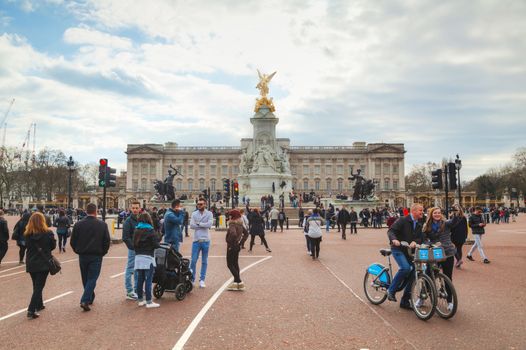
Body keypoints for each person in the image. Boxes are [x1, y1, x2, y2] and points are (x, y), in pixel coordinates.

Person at [70, 203, 110, 312]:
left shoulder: (78, 224)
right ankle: (85, 300)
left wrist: (77, 250)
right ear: (96, 211)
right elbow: (106, 241)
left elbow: (73, 241)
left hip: (82, 255)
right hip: (96, 255)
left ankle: (90, 297)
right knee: (92, 278)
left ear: (86, 211)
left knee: (85, 278)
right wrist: (103, 252)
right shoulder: (102, 225)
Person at [386, 204, 424, 309]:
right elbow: (391, 231)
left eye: (422, 210)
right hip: (398, 249)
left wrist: (415, 242)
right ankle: (391, 290)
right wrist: (394, 239)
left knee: (413, 272)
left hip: (409, 251)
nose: (422, 212)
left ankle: (405, 300)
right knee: (406, 268)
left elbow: (420, 238)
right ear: (413, 211)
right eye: (420, 210)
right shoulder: (402, 220)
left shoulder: (419, 224)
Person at [422, 207, 456, 310]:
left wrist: (456, 212)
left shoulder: (446, 223)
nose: (437, 214)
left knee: (448, 277)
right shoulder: (426, 226)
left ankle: (450, 301)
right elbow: (424, 239)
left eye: (439, 213)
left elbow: (454, 221)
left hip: (447, 253)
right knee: (428, 275)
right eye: (435, 213)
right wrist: (431, 243)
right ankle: (422, 296)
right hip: (434, 253)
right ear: (431, 214)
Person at [24, 212, 56, 319]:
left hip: (31, 262)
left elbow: (27, 246)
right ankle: (31, 310)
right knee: (39, 287)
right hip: (43, 262)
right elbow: (52, 246)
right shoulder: (48, 233)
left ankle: (39, 304)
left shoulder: (28, 234)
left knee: (36, 285)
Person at [133, 212, 161, 308]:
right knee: (148, 280)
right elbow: (156, 245)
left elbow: (133, 244)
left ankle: (140, 300)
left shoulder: (136, 230)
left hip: (138, 257)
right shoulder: (150, 231)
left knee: (140, 279)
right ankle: (149, 301)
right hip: (148, 257)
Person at [190, 198, 214, 288]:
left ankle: (202, 280)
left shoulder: (209, 213)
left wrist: (199, 224)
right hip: (196, 240)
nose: (199, 205)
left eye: (201, 204)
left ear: (205, 204)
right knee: (193, 261)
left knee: (204, 261)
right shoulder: (194, 214)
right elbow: (192, 225)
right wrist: (203, 224)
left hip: (206, 240)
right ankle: (192, 279)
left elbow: (209, 224)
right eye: (198, 204)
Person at [225, 209, 249, 291]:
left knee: (229, 264)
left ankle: (239, 281)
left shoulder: (232, 224)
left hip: (231, 246)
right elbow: (246, 234)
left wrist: (232, 244)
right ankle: (236, 283)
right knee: (235, 263)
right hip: (237, 246)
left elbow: (233, 234)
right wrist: (241, 243)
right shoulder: (240, 224)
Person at [122, 201, 141, 300]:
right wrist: (133, 247)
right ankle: (129, 291)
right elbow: (125, 237)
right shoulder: (128, 221)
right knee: (130, 269)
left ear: (139, 208)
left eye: (136, 208)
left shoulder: (141, 219)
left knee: (138, 269)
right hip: (133, 249)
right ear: (130, 209)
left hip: (141, 249)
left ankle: (137, 289)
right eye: (133, 208)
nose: (135, 209)